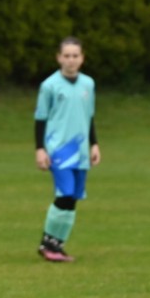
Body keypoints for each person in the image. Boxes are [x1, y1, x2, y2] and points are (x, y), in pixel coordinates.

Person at [34, 36, 100, 263]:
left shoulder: (88, 84)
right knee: (65, 193)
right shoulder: (49, 86)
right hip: (58, 149)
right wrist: (40, 149)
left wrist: (94, 144)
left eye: (75, 56)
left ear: (82, 58)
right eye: (66, 56)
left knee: (73, 197)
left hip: (81, 150)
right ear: (59, 58)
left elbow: (89, 116)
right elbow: (40, 118)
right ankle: (47, 243)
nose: (71, 60)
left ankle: (57, 244)